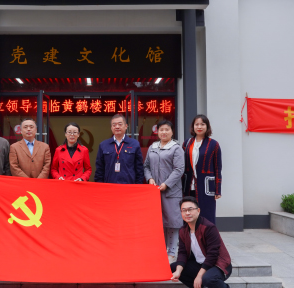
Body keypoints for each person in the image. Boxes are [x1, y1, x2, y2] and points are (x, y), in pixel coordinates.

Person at [171, 196, 233, 288]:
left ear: (198, 211)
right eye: (184, 210)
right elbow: (182, 253)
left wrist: (199, 276)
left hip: (218, 264)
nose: (187, 213)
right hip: (200, 264)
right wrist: (178, 272)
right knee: (174, 267)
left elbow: (212, 255)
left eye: (190, 209)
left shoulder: (208, 227)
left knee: (207, 278)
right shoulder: (183, 230)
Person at [144, 120, 185, 263]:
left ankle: (172, 252)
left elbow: (179, 169)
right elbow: (146, 166)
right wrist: (150, 179)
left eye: (167, 129)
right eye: (161, 129)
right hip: (154, 191)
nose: (164, 132)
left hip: (171, 191)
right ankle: (161, 251)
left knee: (172, 222)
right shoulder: (152, 147)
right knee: (158, 222)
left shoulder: (176, 148)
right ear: (157, 132)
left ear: (172, 132)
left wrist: (167, 184)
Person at [182, 114, 222, 224]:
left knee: (206, 215)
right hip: (188, 186)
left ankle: (207, 235)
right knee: (189, 214)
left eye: (202, 124)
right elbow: (182, 166)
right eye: (197, 124)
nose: (199, 127)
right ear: (193, 127)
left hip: (206, 186)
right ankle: (190, 235)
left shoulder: (213, 144)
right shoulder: (187, 143)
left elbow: (218, 168)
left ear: (207, 126)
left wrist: (218, 189)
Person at [94, 113, 144, 184]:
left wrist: (137, 185)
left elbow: (139, 168)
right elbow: (99, 169)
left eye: (120, 124)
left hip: (129, 186)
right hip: (109, 186)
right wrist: (100, 185)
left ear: (126, 126)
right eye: (114, 125)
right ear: (111, 127)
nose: (117, 127)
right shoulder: (103, 145)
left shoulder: (134, 144)